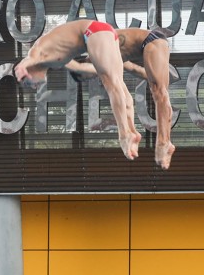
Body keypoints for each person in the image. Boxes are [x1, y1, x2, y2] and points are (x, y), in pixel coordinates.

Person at [13, 19, 142, 162]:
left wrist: (21, 67)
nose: (33, 87)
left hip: (93, 32)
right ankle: (132, 130)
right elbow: (80, 68)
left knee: (111, 84)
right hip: (105, 33)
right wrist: (104, 70)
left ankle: (124, 135)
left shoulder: (39, 51)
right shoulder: (55, 60)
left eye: (28, 84)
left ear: (27, 73)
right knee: (119, 85)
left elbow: (30, 57)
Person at [64, 26, 177, 168]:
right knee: (158, 91)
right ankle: (163, 141)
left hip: (151, 40)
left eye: (90, 75)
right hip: (151, 45)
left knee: (159, 91)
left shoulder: (97, 54)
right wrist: (131, 131)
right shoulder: (108, 60)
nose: (95, 77)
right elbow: (127, 96)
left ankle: (163, 143)